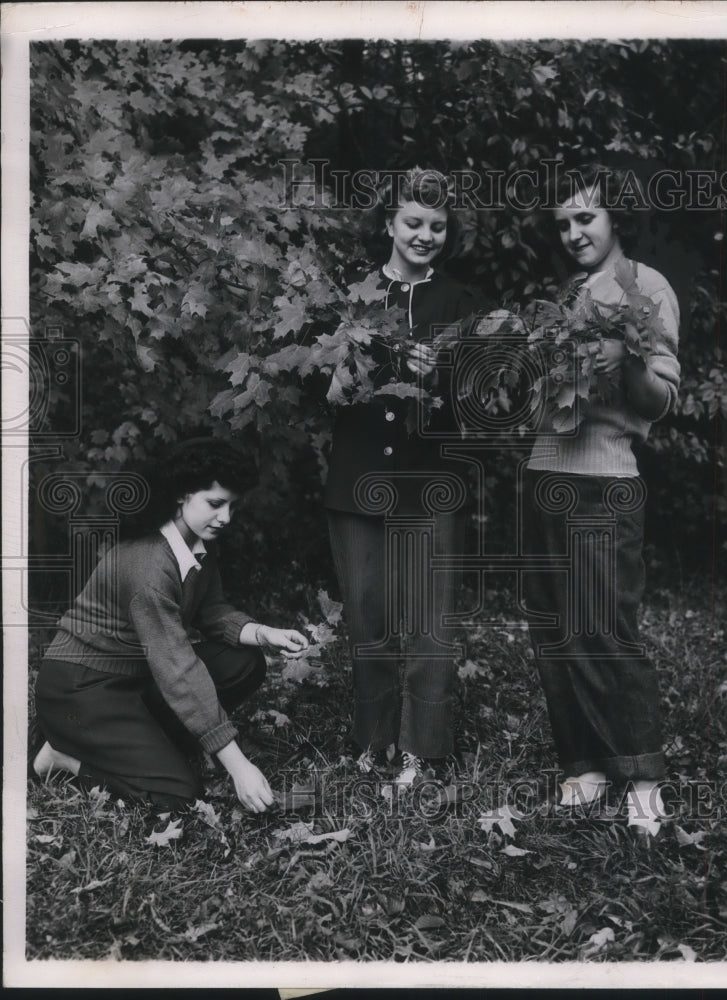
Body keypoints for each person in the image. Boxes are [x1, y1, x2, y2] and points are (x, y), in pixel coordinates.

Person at [522, 164, 680, 837]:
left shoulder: (645, 287)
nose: (573, 232)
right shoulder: (566, 298)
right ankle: (585, 762)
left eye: (585, 217)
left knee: (606, 628)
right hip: (544, 477)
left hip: (603, 483)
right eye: (562, 223)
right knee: (555, 628)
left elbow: (662, 400)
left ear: (615, 218)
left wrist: (631, 359)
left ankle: (642, 776)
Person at [31, 438, 308, 813]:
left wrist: (262, 633)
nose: (226, 517)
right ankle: (61, 757)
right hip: (81, 689)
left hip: (134, 676)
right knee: (178, 795)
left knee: (245, 661)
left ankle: (153, 743)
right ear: (182, 495)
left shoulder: (197, 541)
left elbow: (212, 612)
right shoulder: (148, 566)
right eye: (215, 504)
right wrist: (238, 764)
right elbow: (177, 669)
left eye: (232, 506)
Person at [324, 167, 482, 787]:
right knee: (366, 615)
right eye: (413, 222)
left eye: (437, 226)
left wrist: (440, 373)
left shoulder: (462, 304)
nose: (424, 235)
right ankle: (373, 738)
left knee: (429, 618)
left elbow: (479, 401)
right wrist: (346, 376)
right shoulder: (351, 296)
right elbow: (322, 388)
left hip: (430, 484)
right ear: (389, 223)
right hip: (357, 479)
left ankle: (424, 746)